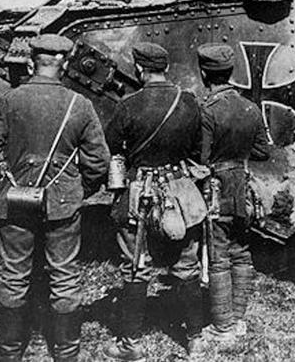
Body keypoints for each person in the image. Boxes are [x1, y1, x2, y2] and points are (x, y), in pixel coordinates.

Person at [0, 35, 109, 362]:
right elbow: (98, 162)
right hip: (62, 203)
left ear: (30, 62)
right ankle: (66, 353)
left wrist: (8, 180)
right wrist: (78, 191)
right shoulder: (80, 104)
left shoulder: (9, 100)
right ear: (64, 64)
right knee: (65, 276)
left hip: (17, 198)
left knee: (13, 274)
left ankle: (9, 352)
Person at [103, 43, 206, 361]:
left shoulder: (128, 104)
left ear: (138, 69)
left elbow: (113, 146)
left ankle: (130, 344)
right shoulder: (188, 101)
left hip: (139, 191)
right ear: (166, 68)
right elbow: (197, 147)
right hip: (180, 190)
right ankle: (196, 339)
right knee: (187, 265)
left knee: (136, 266)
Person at [196, 43, 271, 344]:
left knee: (218, 256)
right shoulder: (249, 108)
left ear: (204, 74)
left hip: (217, 186)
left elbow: (201, 157)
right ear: (230, 72)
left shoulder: (208, 110)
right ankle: (238, 318)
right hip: (243, 183)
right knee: (241, 251)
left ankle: (222, 327)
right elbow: (263, 152)